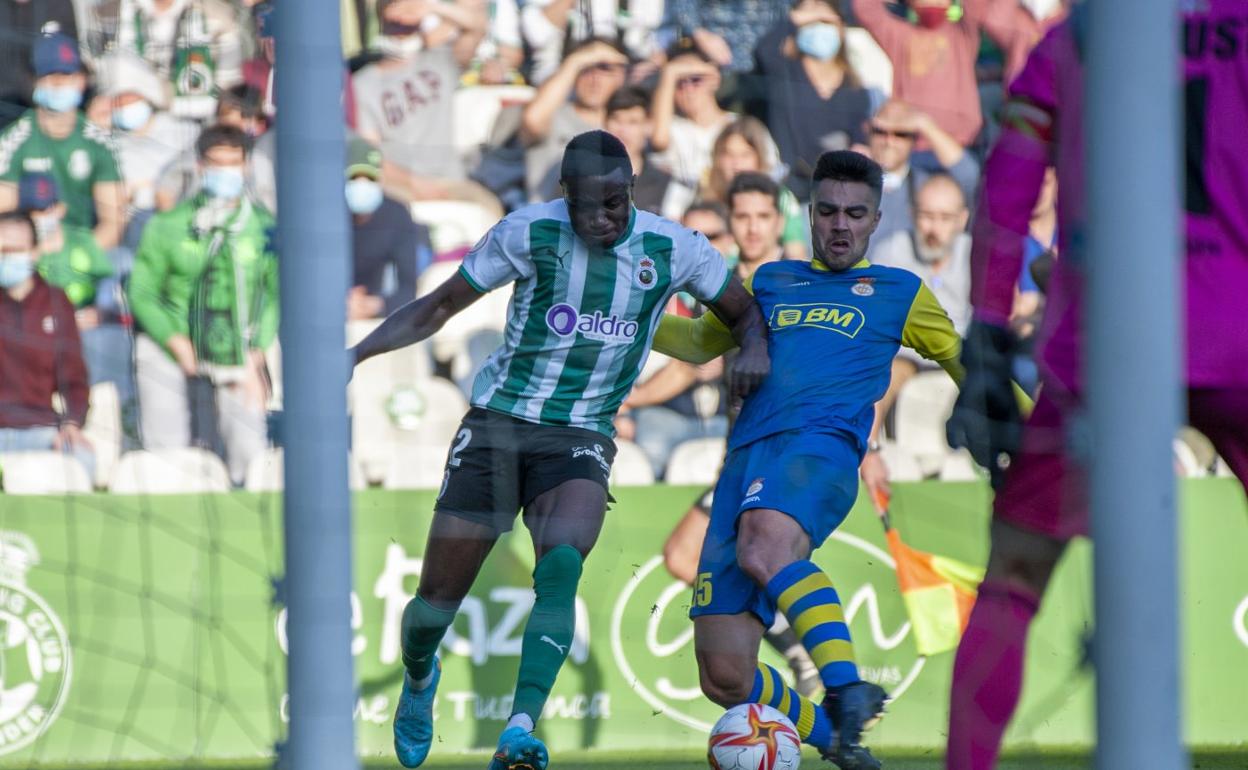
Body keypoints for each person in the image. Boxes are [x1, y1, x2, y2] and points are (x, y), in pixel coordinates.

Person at [349, 130, 769, 770]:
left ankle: (518, 729)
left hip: (581, 434)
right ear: (563, 196)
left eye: (616, 204)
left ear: (632, 190)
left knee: (562, 565)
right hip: (498, 424)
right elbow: (439, 306)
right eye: (587, 206)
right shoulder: (528, 233)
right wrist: (355, 355)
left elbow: (745, 313)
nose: (602, 219)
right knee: (434, 605)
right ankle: (418, 676)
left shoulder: (675, 246)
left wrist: (757, 350)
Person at [943, 9, 1248, 769]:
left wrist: (986, 326)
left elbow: (1009, 181)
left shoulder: (1076, 35)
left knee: (1014, 575)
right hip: (1237, 327)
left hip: (1107, 339)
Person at [651, 150, 963, 770]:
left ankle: (846, 687)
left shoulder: (902, 292)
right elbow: (694, 345)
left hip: (820, 447)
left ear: (876, 220)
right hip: (744, 461)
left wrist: (1043, 426)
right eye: (828, 211)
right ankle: (839, 744)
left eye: (855, 213)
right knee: (726, 674)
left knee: (765, 549)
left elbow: (969, 368)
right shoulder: (769, 282)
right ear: (810, 214)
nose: (840, 225)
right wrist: (631, 311)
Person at [127, 124, 278, 486]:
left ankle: (248, 482)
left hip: (238, 342)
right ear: (199, 166)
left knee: (247, 424)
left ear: (246, 168)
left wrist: (257, 348)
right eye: (216, 163)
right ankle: (169, 477)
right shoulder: (168, 225)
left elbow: (275, 293)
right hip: (178, 339)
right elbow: (142, 292)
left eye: (233, 164)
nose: (225, 173)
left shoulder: (263, 227)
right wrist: (176, 341)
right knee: (151, 360)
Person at [352, 0, 493, 207]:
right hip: (398, 187)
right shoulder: (362, 83)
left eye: (409, 23)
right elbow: (369, 153)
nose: (402, 29)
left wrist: (430, 6)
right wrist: (413, 183)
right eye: (395, 22)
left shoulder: (440, 59)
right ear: (382, 20)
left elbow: (477, 27)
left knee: (491, 212)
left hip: (451, 182)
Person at [0, 33, 127, 252]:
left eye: (67, 75)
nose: (58, 85)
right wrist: (33, 254)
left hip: (85, 249)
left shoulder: (100, 143)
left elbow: (113, 223)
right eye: (50, 76)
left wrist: (75, 255)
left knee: (121, 262)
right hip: (26, 253)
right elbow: (4, 215)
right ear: (34, 81)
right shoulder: (12, 141)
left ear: (82, 80)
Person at [867, 172, 971, 436]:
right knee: (880, 379)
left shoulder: (976, 255)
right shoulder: (890, 252)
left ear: (963, 219)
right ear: (912, 214)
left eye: (945, 218)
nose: (934, 229)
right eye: (927, 216)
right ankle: (866, 453)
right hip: (908, 355)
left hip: (965, 354)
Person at [0, 210, 94, 477]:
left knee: (81, 459)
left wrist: (72, 424)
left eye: (14, 250)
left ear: (33, 252)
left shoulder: (56, 302)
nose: (5, 258)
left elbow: (74, 377)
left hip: (40, 429)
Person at [754, 0, 872, 202]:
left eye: (826, 22)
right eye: (811, 23)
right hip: (788, 188)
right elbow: (764, 51)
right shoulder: (785, 71)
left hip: (834, 191)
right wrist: (797, 17)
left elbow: (859, 138)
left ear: (841, 28)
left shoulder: (855, 88)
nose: (819, 28)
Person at [851, 0, 988, 148]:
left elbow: (977, 6)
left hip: (961, 143)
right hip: (911, 143)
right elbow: (865, 9)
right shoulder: (900, 35)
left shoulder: (962, 35)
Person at [521, 37, 630, 203]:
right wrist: (575, 60)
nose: (595, 79)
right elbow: (532, 121)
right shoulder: (552, 114)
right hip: (549, 222)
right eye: (586, 68)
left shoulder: (627, 124)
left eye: (604, 68)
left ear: (621, 75)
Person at [862, 99, 979, 253]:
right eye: (880, 132)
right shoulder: (851, 183)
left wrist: (925, 125)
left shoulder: (925, 184)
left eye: (901, 134)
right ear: (868, 132)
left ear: (914, 140)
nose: (889, 141)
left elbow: (971, 177)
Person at [94, 51, 199, 217]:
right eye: (115, 98)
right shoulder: (106, 139)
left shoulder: (185, 131)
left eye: (127, 97)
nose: (121, 104)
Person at [110, 0, 245, 121]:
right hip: (142, 116)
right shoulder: (116, 10)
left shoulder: (214, 12)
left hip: (208, 114)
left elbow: (229, 79)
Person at [346, 136, 433, 319]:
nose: (361, 185)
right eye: (354, 178)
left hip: (376, 315)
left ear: (380, 179)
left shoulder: (397, 216)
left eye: (369, 178)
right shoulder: (326, 216)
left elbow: (408, 289)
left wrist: (375, 305)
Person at [700, 117, 806, 260]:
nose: (736, 164)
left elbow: (796, 255)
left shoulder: (782, 199)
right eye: (729, 155)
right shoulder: (706, 200)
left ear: (759, 157)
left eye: (745, 155)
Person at [648, 45, 738, 192]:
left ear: (714, 80)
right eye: (679, 83)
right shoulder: (673, 127)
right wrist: (669, 73)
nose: (688, 89)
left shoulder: (739, 125)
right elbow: (659, 139)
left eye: (695, 79)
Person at [520, 0, 664, 85]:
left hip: (620, 79)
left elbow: (646, 43)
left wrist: (655, 62)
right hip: (561, 78)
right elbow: (537, 34)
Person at [602, 85, 693, 220]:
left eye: (633, 122)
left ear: (648, 126)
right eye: (616, 120)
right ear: (605, 123)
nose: (623, 130)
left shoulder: (666, 182)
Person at [0, 0, 78, 129]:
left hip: (51, 96)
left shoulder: (58, 4)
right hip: (6, 103)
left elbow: (70, 52)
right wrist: (34, 90)